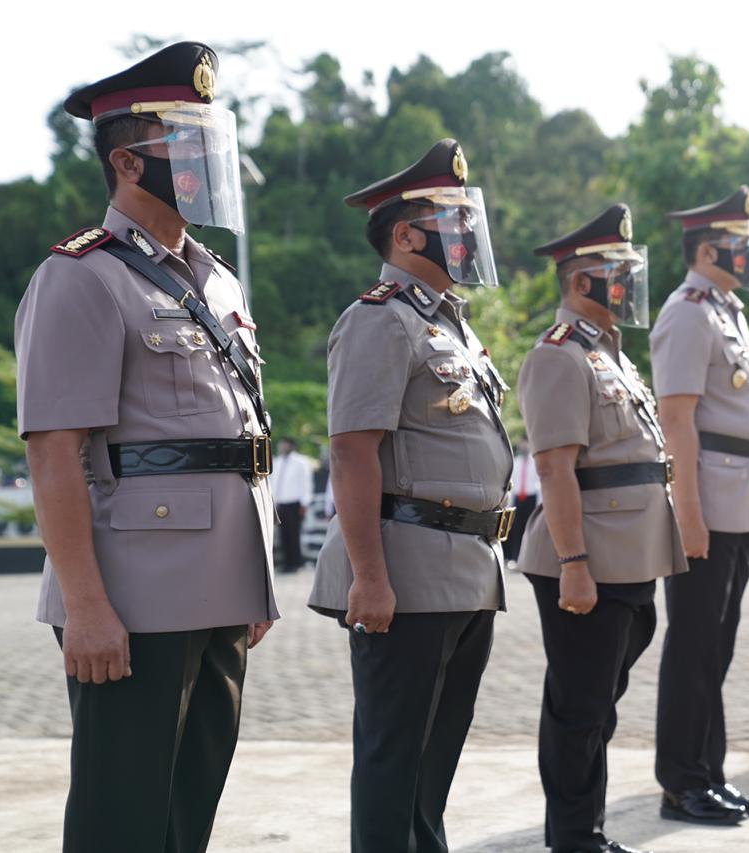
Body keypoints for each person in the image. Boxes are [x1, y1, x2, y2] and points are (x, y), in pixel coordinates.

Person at [14, 42, 278, 852]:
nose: (205, 161)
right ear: (127, 161)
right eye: (187, 143)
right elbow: (55, 451)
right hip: (132, 590)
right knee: (119, 814)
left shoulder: (217, 280)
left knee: (187, 806)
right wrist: (87, 607)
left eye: (209, 141)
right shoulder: (81, 277)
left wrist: (252, 579)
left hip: (219, 584)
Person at [308, 138, 514, 853]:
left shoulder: (449, 320)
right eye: (452, 222)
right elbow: (352, 449)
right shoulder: (379, 317)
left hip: (463, 569)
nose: (466, 237)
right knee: (394, 758)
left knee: (435, 760)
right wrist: (369, 576)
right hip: (405, 572)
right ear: (406, 232)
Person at [518, 204, 686, 853]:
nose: (628, 284)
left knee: (597, 703)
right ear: (580, 280)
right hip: (587, 556)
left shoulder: (610, 354)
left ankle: (584, 827)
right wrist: (575, 562)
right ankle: (574, 835)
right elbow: (557, 469)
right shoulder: (559, 356)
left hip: (631, 555)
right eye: (617, 272)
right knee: (581, 706)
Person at [650, 186, 749, 825]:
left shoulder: (728, 311)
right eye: (739, 244)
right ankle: (680, 782)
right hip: (709, 502)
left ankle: (709, 773)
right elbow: (678, 417)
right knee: (694, 645)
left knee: (716, 648)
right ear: (706, 248)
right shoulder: (688, 311)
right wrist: (687, 512)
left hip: (740, 499)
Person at [270, 438, 315, 572]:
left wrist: (305, 503)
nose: (282, 447)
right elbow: (273, 483)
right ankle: (287, 562)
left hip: (295, 503)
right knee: (283, 535)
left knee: (294, 534)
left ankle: (296, 563)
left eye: (285, 444)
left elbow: (306, 483)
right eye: (281, 444)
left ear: (291, 446)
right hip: (281, 503)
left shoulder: (301, 462)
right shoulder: (277, 462)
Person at [505, 438, 539, 565]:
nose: (523, 446)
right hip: (518, 500)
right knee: (516, 530)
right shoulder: (516, 462)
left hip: (531, 499)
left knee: (530, 529)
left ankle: (529, 559)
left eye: (525, 443)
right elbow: (512, 484)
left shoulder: (535, 462)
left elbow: (539, 483)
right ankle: (515, 558)